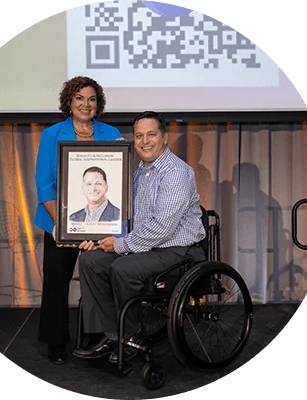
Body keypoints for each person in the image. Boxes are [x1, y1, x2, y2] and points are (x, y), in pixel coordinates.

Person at [72, 111, 207, 363]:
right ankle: (112, 334)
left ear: (164, 138)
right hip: (147, 248)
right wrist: (96, 237)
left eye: (151, 134)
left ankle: (131, 337)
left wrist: (120, 245)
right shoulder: (137, 174)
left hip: (178, 251)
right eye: (139, 136)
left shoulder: (175, 172)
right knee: (90, 261)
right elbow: (124, 218)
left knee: (124, 268)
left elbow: (162, 228)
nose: (145, 141)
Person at [34, 76, 122, 364]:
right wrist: (61, 223)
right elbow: (45, 184)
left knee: (98, 278)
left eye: (92, 99)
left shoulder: (111, 134)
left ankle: (98, 336)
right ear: (69, 102)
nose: (86, 104)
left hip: (102, 224)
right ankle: (56, 342)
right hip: (59, 222)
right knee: (57, 279)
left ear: (99, 104)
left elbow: (120, 182)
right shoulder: (52, 134)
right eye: (80, 98)